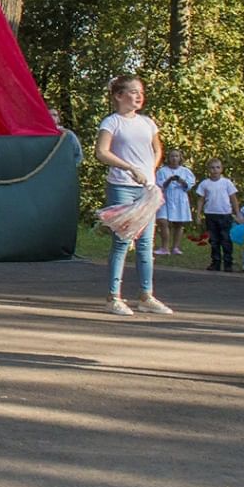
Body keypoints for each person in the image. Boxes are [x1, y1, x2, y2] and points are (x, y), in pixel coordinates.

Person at [94, 75, 174, 316]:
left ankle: (146, 295)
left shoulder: (148, 123)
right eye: (133, 92)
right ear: (119, 96)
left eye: (141, 92)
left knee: (146, 243)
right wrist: (130, 168)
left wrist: (150, 170)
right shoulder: (112, 122)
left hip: (146, 189)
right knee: (121, 241)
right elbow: (101, 152)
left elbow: (157, 149)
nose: (139, 96)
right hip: (122, 186)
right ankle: (113, 296)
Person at [194, 159, 238, 273]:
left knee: (226, 239)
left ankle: (228, 263)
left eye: (218, 167)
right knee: (214, 240)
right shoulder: (205, 184)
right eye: (212, 167)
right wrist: (198, 214)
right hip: (211, 215)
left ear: (221, 169)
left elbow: (233, 199)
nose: (215, 170)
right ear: (209, 169)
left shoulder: (227, 183)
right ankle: (215, 262)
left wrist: (237, 213)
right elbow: (201, 200)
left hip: (225, 215)